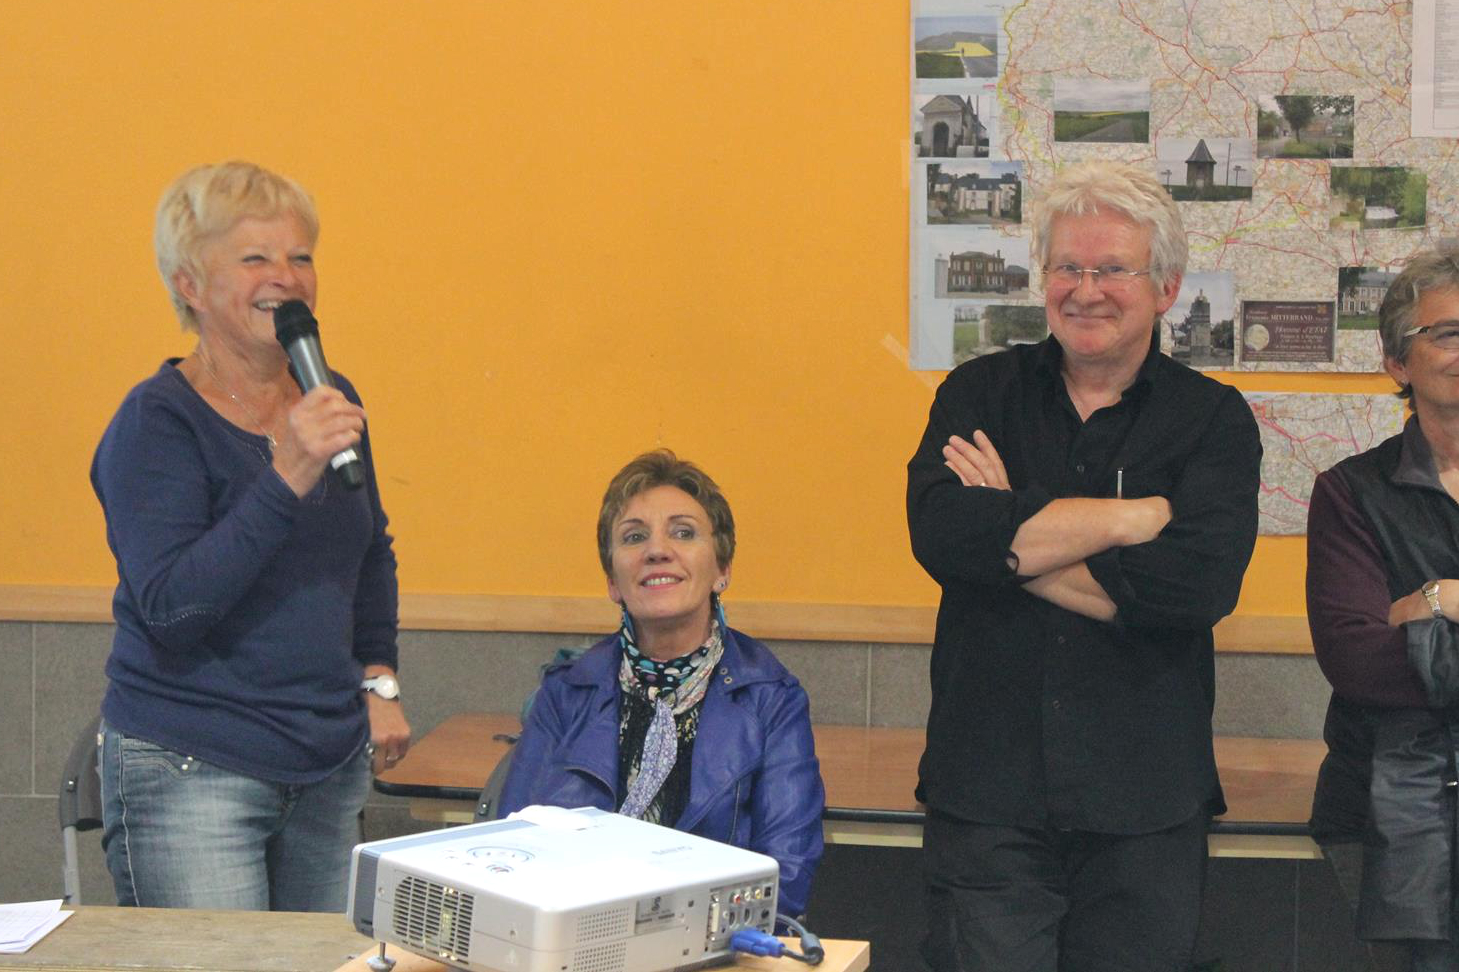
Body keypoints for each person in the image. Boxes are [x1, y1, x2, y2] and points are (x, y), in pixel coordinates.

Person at [906, 160, 1261, 971]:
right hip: (985, 795)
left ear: (1166, 289)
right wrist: (1132, 520)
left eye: (1112, 270)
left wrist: (1009, 539)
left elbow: (1193, 589)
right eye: (1067, 266)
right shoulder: (976, 394)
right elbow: (942, 538)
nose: (1085, 290)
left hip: (1145, 806)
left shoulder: (1212, 420)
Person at [91, 161, 410, 911]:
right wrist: (286, 473)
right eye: (255, 258)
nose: (287, 278)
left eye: (301, 257)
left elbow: (370, 550)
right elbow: (172, 610)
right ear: (190, 285)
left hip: (327, 766)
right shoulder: (156, 422)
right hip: (191, 767)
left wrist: (378, 678)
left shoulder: (331, 396)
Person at [497, 450, 824, 919]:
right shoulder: (566, 691)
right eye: (634, 537)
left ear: (722, 570)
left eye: (683, 533)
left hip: (715, 944)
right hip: (578, 938)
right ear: (613, 581)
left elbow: (785, 878)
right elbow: (512, 854)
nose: (657, 551)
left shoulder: (771, 697)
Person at [1308, 247, 1459, 971]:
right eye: (1448, 333)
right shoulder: (1349, 493)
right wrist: (1442, 598)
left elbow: (1395, 653)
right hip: (1387, 815)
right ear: (1398, 362)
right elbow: (1359, 662)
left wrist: (1429, 606)